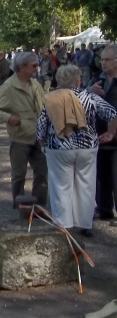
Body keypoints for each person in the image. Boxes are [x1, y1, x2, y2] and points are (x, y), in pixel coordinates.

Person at [37, 64, 117, 236]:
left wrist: (43, 144)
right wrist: (110, 133)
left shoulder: (51, 98)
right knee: (86, 184)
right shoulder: (89, 96)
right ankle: (85, 223)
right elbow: (111, 112)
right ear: (78, 80)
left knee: (61, 185)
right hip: (87, 146)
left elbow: (41, 125)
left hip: (58, 147)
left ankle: (63, 223)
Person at [0, 51, 48, 208]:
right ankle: (20, 207)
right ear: (22, 67)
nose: (37, 68)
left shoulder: (36, 84)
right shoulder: (9, 87)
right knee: (19, 175)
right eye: (33, 65)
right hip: (21, 137)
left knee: (42, 174)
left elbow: (45, 106)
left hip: (40, 137)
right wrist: (8, 118)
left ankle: (39, 208)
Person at [89, 43, 117, 225]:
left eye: (108, 60)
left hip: (116, 137)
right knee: (100, 176)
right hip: (99, 135)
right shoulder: (96, 80)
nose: (104, 63)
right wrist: (89, 92)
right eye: (102, 60)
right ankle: (104, 209)